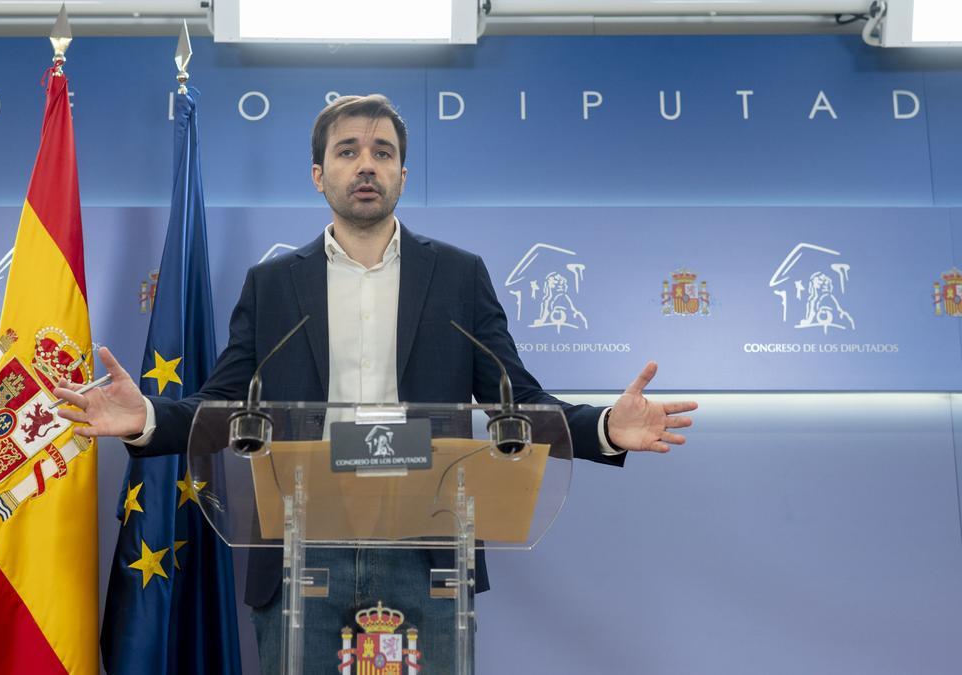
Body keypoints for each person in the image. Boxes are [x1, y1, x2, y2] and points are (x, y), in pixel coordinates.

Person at [54, 94, 697, 673]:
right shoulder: (272, 285)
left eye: (382, 153)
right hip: (302, 554)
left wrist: (605, 429)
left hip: (428, 554)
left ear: (402, 176)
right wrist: (145, 420)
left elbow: (519, 402)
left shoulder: (458, 277)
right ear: (319, 175)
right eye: (348, 151)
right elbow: (223, 405)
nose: (367, 164)